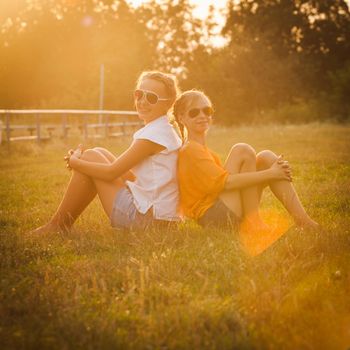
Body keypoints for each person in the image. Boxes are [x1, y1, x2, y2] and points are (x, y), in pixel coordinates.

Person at [31, 71, 182, 233]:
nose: (142, 102)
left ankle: (57, 226)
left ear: (168, 104)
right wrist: (86, 165)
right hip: (161, 220)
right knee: (98, 152)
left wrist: (77, 163)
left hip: (147, 222)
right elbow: (133, 177)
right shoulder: (164, 130)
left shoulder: (153, 135)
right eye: (139, 95)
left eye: (151, 97)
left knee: (91, 156)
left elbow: (111, 173)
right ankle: (60, 225)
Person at [173, 90, 319, 255]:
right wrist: (271, 174)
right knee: (241, 150)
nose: (202, 115)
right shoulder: (190, 149)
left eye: (206, 111)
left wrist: (272, 170)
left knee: (266, 157)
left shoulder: (204, 150)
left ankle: (303, 221)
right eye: (194, 112)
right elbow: (227, 183)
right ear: (181, 117)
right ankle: (253, 222)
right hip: (213, 216)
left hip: (223, 207)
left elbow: (225, 183)